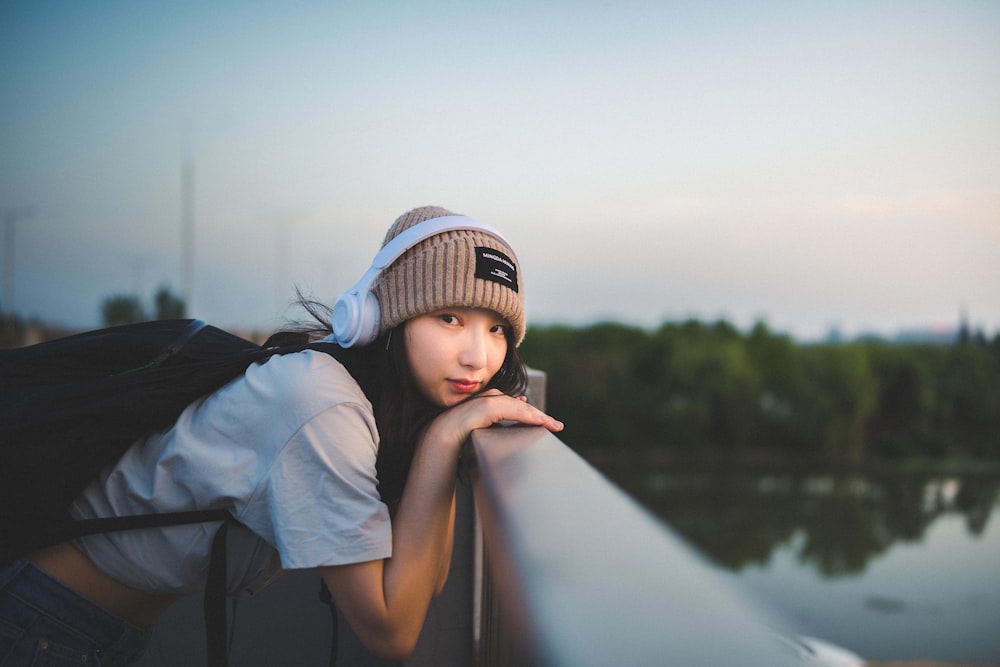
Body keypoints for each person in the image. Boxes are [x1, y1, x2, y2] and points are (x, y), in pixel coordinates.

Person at [0, 205, 563, 665]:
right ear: (382, 319)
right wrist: (444, 441)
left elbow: (425, 581)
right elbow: (393, 631)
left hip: (82, 626)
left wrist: (441, 433)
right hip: (43, 620)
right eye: (449, 319)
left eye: (496, 330)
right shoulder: (321, 406)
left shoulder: (361, 397)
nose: (477, 356)